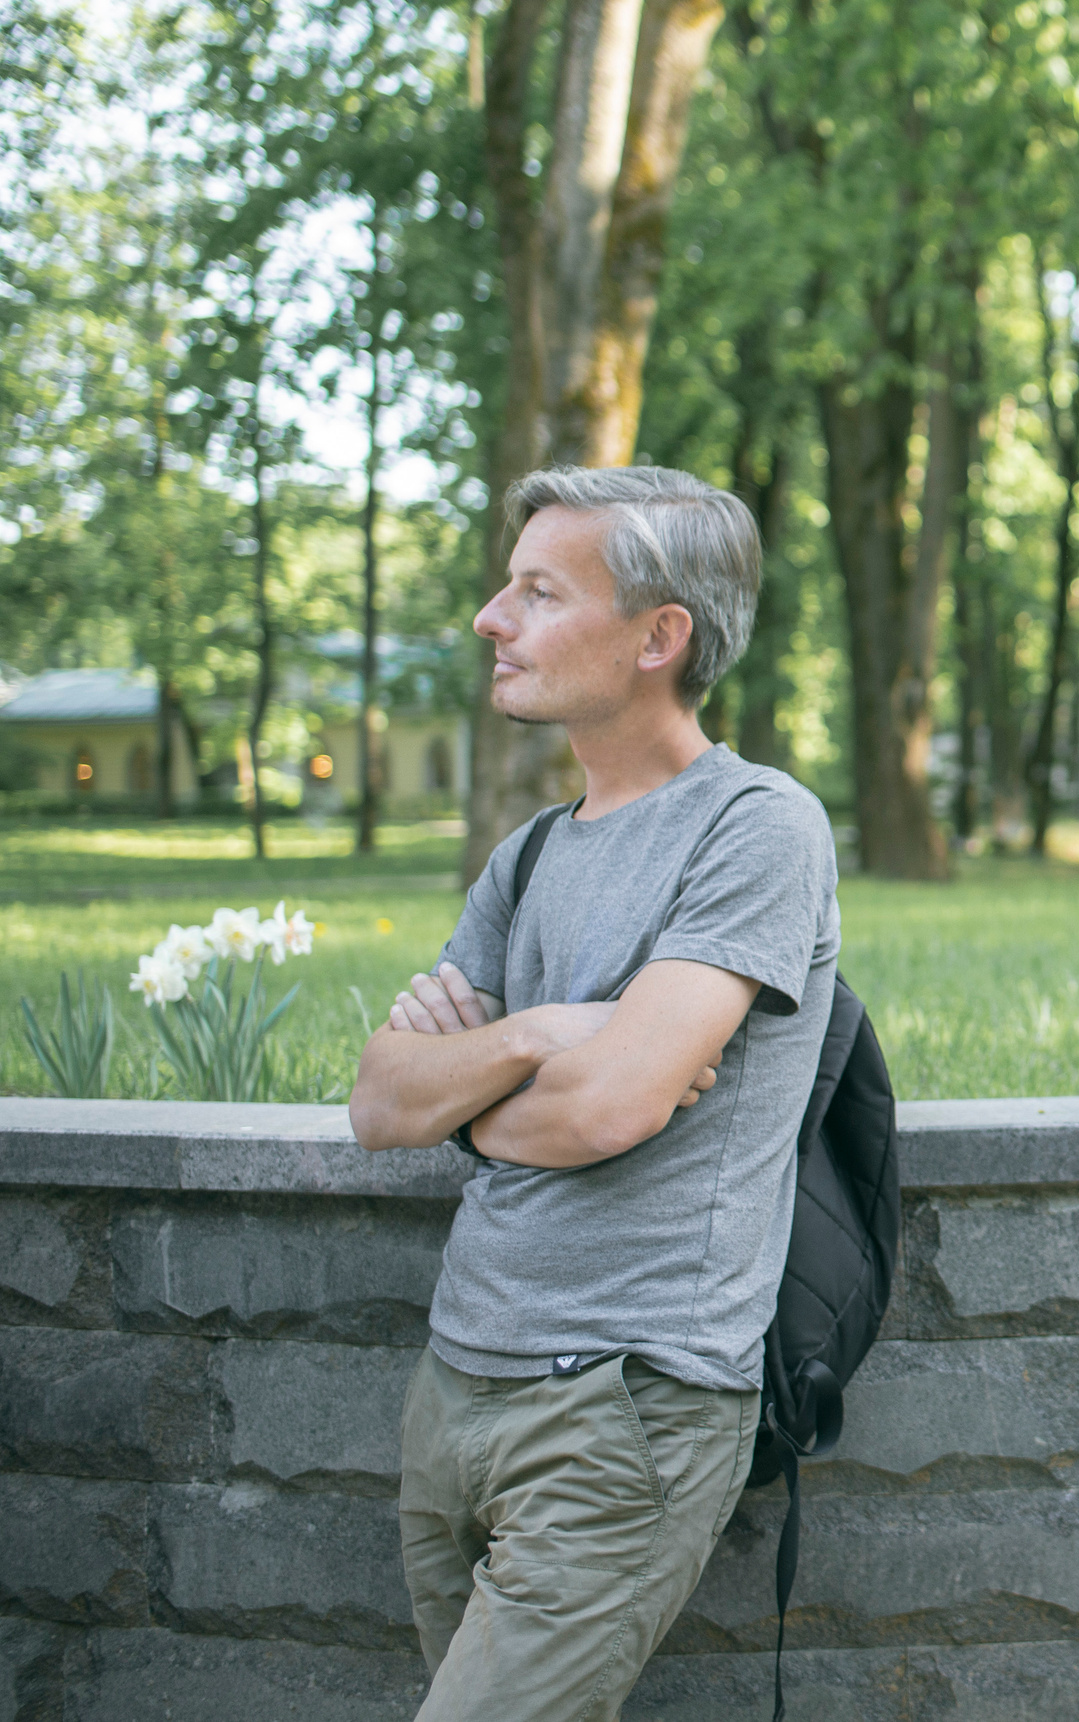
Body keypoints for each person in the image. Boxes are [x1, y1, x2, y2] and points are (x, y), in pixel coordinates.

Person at [347, 465, 840, 1722]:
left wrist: (475, 1097)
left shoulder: (757, 827)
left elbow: (606, 1109)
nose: (490, 618)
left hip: (620, 1404)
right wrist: (540, 1034)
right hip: (454, 1391)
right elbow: (381, 1101)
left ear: (657, 638)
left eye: (538, 592)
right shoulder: (530, 854)